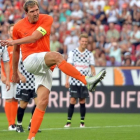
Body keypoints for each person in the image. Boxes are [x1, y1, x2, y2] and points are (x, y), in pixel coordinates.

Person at [0, 1, 106, 139]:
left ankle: (31, 137)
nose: (36, 13)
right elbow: (15, 52)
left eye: (37, 10)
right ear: (25, 13)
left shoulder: (47, 19)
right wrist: (14, 73)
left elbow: (35, 37)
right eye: (32, 11)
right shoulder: (18, 27)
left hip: (44, 62)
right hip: (30, 61)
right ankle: (86, 81)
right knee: (57, 56)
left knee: (43, 101)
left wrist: (13, 41)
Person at [64, 34, 96, 128]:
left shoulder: (90, 54)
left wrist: (93, 79)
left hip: (84, 81)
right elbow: (69, 68)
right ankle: (68, 122)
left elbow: (92, 68)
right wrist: (67, 80)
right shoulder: (73, 52)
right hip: (74, 80)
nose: (84, 43)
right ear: (79, 41)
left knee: (82, 101)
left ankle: (82, 122)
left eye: (86, 41)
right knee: (73, 100)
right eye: (82, 41)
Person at [16, 46, 41, 133]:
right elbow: (14, 65)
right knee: (23, 105)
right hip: (25, 82)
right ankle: (18, 125)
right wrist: (20, 76)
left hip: (35, 82)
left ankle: (32, 124)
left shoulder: (36, 51)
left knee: (39, 104)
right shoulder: (20, 51)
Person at [1, 24, 18, 131]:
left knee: (15, 98)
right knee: (8, 99)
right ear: (8, 32)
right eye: (11, 30)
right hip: (6, 76)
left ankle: (14, 123)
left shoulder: (19, 44)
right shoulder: (4, 45)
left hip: (16, 76)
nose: (13, 32)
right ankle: (10, 123)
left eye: (14, 30)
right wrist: (2, 75)